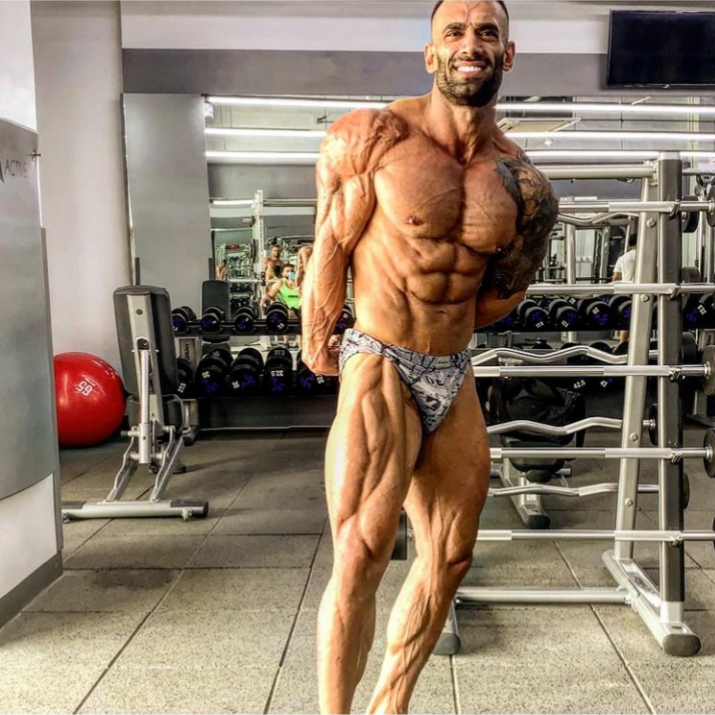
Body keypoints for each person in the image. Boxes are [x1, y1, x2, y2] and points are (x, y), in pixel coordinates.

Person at [300, 2, 558, 713]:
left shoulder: (524, 182)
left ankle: (391, 704)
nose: (471, 44)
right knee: (361, 551)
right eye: (455, 32)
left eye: (487, 33)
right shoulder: (371, 137)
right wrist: (319, 336)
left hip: (453, 367)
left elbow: (503, 292)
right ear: (431, 53)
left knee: (450, 556)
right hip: (380, 355)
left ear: (507, 55)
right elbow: (330, 241)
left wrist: (443, 323)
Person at [613, 229, 637, 342]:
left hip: (627, 292)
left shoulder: (622, 258)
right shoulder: (648, 257)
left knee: (626, 321)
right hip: (644, 291)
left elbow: (616, 277)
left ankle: (622, 345)